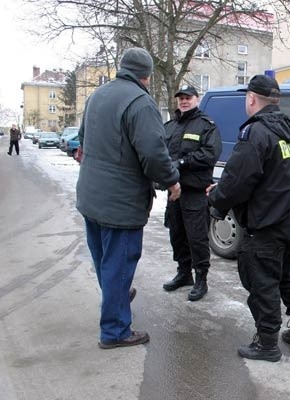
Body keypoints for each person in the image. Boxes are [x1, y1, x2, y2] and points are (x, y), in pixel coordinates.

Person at [76, 47, 181, 349]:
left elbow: (83, 139)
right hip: (120, 204)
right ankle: (116, 330)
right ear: (147, 76)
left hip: (90, 196)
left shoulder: (98, 95)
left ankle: (116, 296)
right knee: (119, 265)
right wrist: (172, 181)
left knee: (103, 260)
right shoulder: (141, 103)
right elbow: (153, 154)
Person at [207, 74, 290, 362]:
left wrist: (216, 201)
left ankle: (267, 344)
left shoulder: (256, 132)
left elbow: (237, 181)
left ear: (252, 99)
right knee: (289, 275)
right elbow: (276, 175)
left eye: (246, 97)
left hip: (267, 225)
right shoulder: (288, 128)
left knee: (262, 282)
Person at [161, 85, 222, 301]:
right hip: (174, 192)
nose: (184, 102)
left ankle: (201, 279)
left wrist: (183, 162)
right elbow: (161, 154)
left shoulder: (206, 126)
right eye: (180, 99)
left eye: (188, 98)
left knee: (197, 238)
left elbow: (210, 154)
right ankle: (183, 273)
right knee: (177, 235)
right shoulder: (170, 126)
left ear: (197, 99)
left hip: (195, 192)